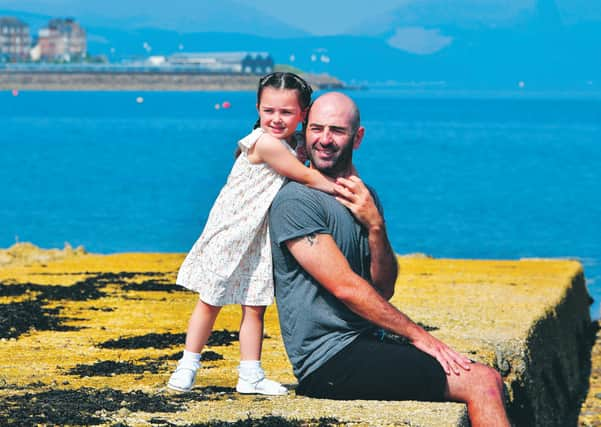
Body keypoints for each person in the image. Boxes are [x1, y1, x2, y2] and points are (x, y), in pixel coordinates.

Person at [268, 92, 510, 426]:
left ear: (358, 137)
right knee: (481, 383)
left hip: (364, 343)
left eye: (336, 131)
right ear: (305, 131)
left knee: (491, 377)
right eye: (316, 129)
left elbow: (383, 288)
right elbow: (346, 288)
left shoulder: (362, 197)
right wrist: (420, 336)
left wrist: (375, 226)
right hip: (328, 362)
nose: (324, 140)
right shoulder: (296, 201)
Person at [167, 72, 335, 395]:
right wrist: (344, 191)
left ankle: (250, 374)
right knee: (209, 301)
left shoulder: (291, 143)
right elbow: (307, 176)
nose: (276, 118)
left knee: (255, 305)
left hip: (258, 236)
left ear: (303, 114)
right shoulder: (265, 143)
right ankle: (187, 366)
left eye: (286, 112)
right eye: (268, 110)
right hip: (231, 230)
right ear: (258, 108)